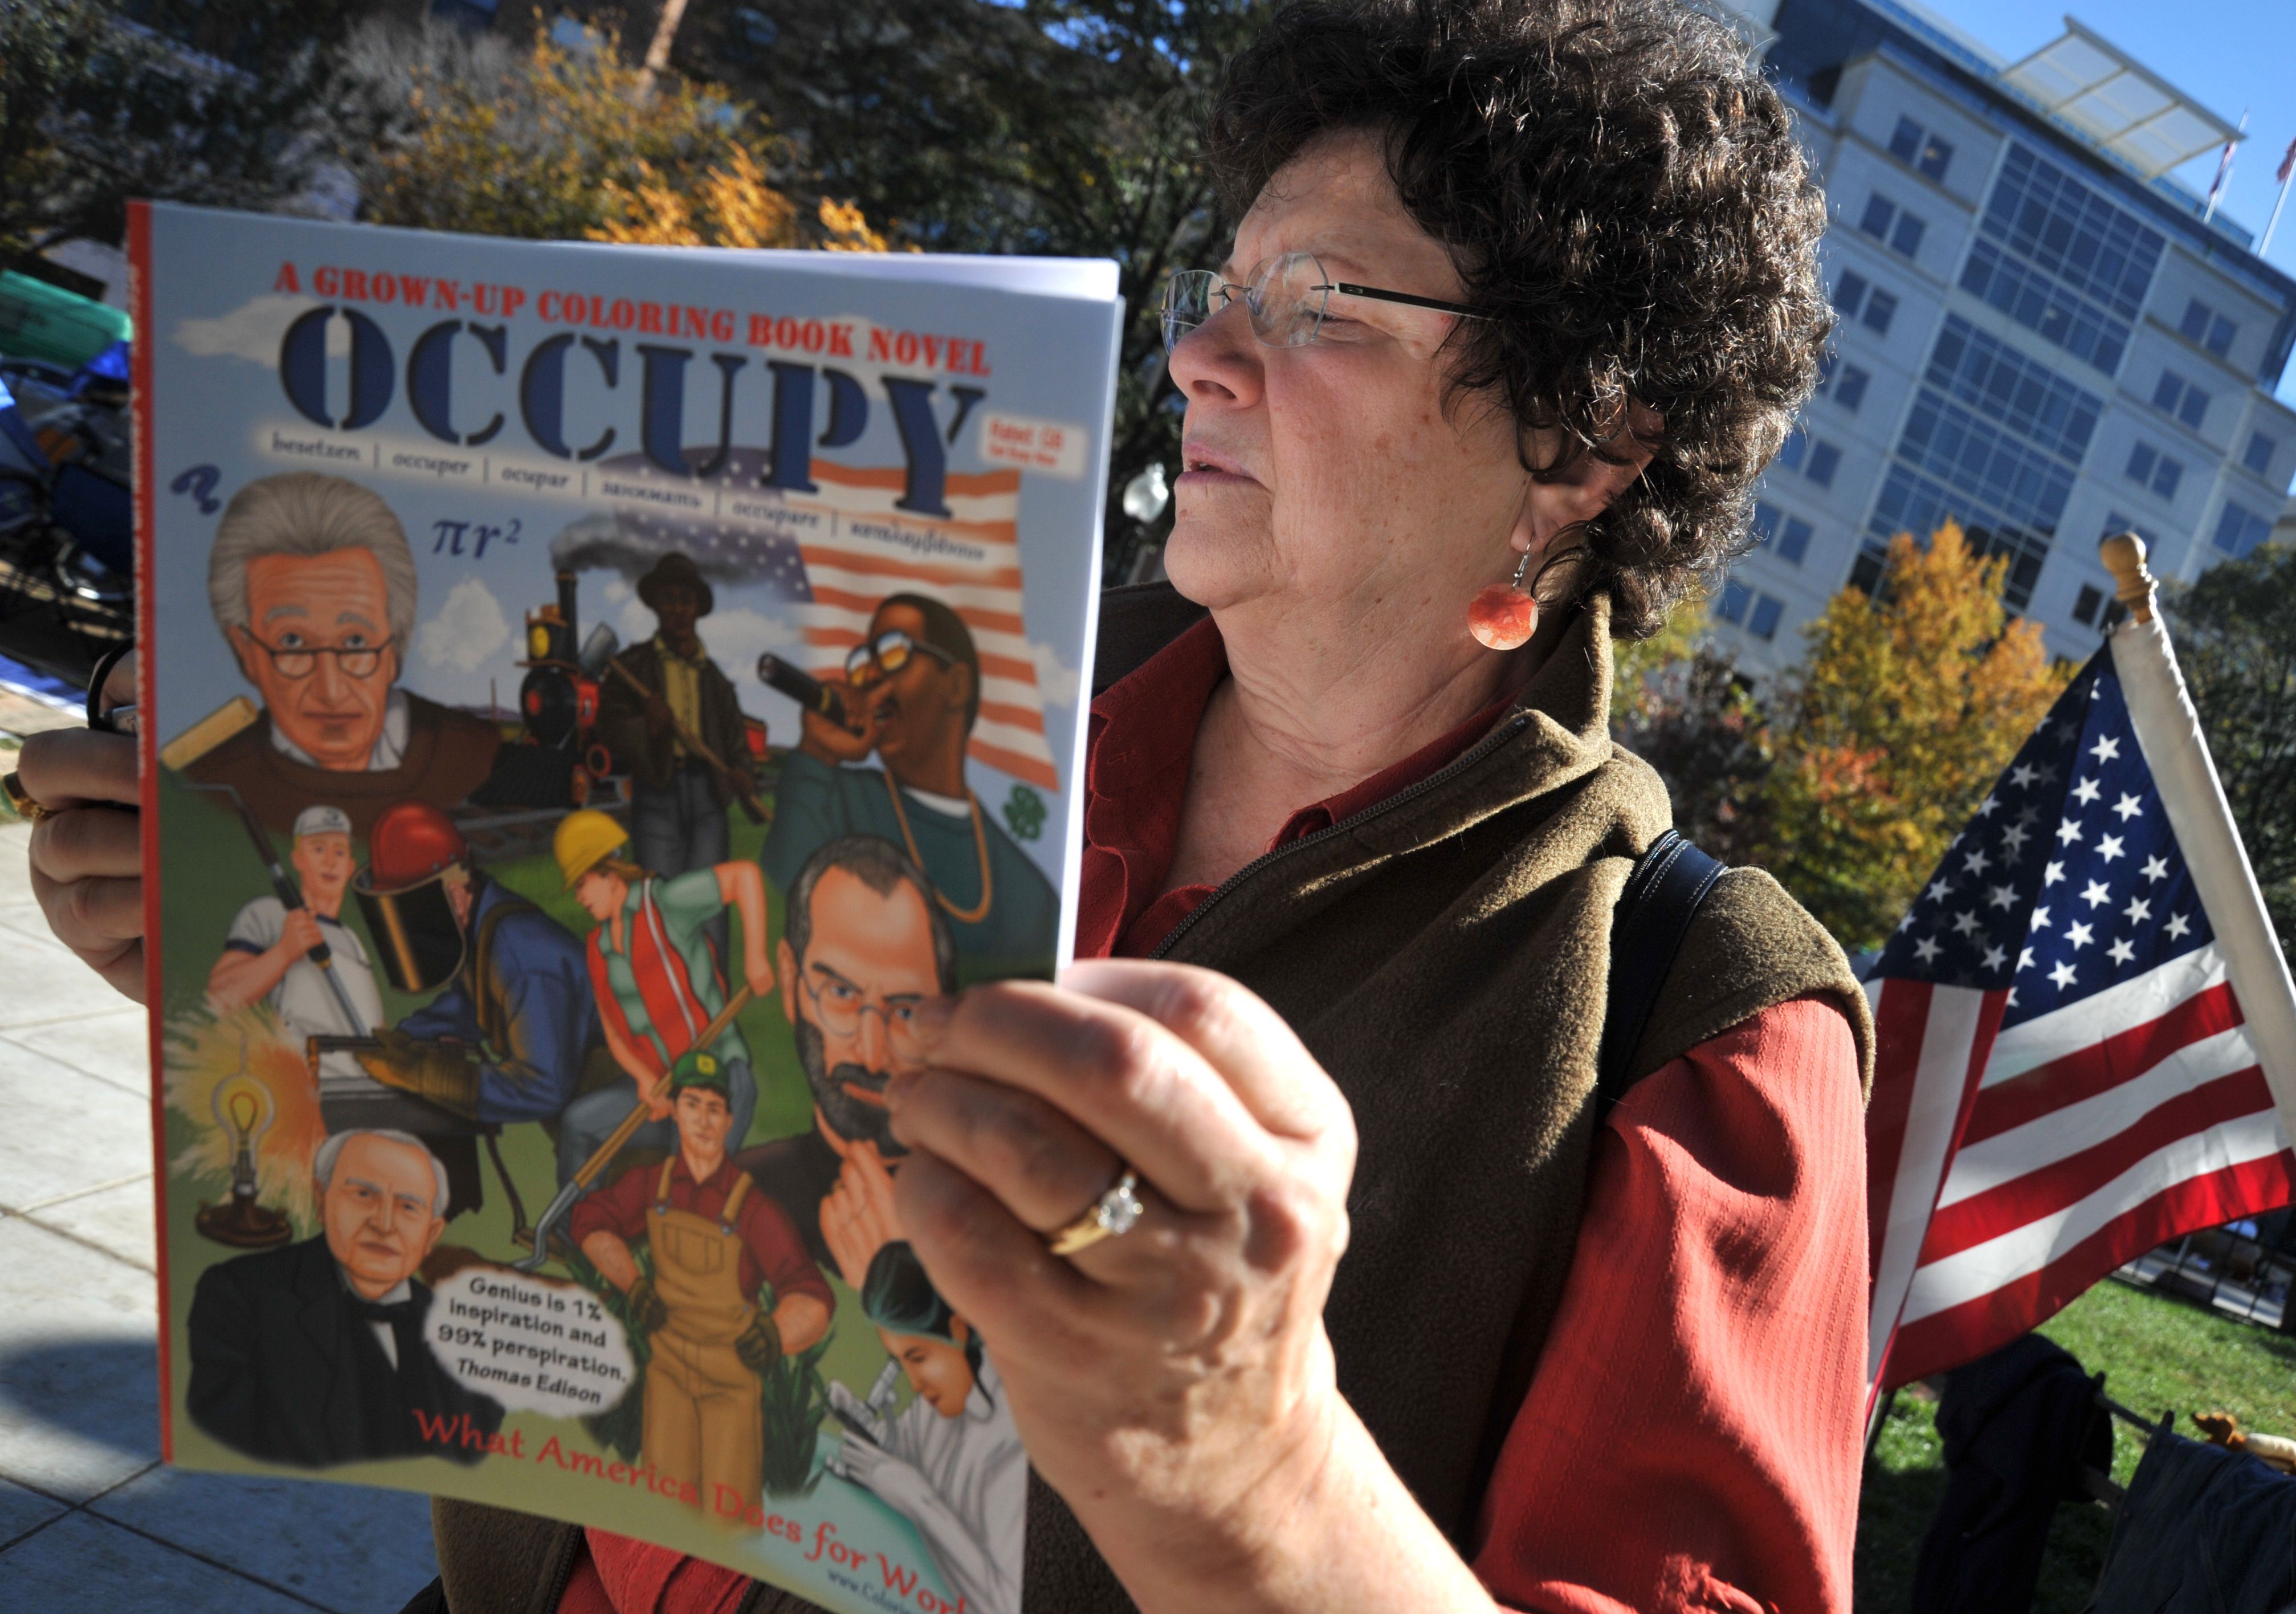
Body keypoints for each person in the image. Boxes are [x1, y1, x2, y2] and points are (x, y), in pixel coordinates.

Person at [21, 5, 1877, 1609]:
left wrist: (1250, 1465)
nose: (1198, 359)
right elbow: (588, 1097)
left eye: (1318, 306)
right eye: (1217, 290)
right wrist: (293, 979)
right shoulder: (906, 700)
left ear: (1582, 444)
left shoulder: (1698, 1025)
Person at [568, 1059, 833, 1522]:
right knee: (663, 1513)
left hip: (730, 1387)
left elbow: (810, 1293)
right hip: (666, 1379)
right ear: (674, 1112)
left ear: (730, 1121)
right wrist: (634, 1285)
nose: (704, 1120)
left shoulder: (754, 1207)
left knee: (728, 1522)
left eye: (715, 1109)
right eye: (693, 1105)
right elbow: (589, 1221)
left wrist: (775, 1335)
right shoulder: (654, 1185)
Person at [174, 472, 500, 838]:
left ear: (395, 648)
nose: (330, 690)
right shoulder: (206, 782)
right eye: (293, 642)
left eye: (356, 642)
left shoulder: (482, 757)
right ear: (246, 652)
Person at [761, 593, 1057, 981]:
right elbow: (775, 905)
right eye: (863, 663)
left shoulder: (1029, 892)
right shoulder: (834, 797)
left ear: (956, 686)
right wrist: (816, 754)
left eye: (892, 652)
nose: (870, 677)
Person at [185, 1128, 503, 1467]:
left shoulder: (469, 1333)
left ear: (431, 1234)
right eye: (364, 1194)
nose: (384, 1224)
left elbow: (478, 1457)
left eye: (409, 1207)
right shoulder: (239, 1296)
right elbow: (221, 1440)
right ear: (321, 1201)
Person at [351, 801, 609, 1213]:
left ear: (453, 893)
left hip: (626, 1110)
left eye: (411, 913)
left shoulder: (522, 957)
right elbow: (473, 1003)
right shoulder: (480, 924)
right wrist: (404, 1041)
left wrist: (426, 1075)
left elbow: (543, 1087)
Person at [733, 834, 956, 1270]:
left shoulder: (992, 1214)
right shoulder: (736, 1196)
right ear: (788, 981)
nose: (871, 1056)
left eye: (906, 1010)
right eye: (841, 993)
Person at [552, 808, 771, 1188]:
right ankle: (579, 1231)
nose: (580, 898)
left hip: (717, 1077)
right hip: (663, 1088)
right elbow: (615, 1035)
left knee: (679, 1181)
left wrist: (755, 957)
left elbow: (743, 877)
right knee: (577, 1124)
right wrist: (643, 1081)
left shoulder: (666, 904)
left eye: (582, 883)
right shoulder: (598, 948)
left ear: (610, 872)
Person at [825, 1241, 1023, 1614]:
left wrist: (918, 1501)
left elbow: (1003, 1603)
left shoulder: (1013, 1442)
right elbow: (905, 1457)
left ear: (959, 1330)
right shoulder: (928, 1411)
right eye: (901, 1362)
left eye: (919, 1357)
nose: (914, 1384)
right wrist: (875, 1444)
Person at [593, 552, 760, 960]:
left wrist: (741, 774)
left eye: (685, 600)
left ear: (697, 609)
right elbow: (607, 728)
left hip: (708, 797)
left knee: (709, 904)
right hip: (657, 794)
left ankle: (714, 1002)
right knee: (659, 900)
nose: (677, 609)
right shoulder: (631, 667)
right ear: (655, 606)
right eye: (668, 599)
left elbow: (737, 745)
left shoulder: (715, 681)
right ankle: (665, 1009)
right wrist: (646, 725)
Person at [206, 804, 385, 1090]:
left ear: (350, 866)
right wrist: (285, 951)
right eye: (318, 849)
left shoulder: (353, 941)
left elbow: (374, 1029)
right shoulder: (269, 915)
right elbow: (220, 999)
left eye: (339, 852)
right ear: (298, 859)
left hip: (364, 1091)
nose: (330, 861)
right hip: (303, 1091)